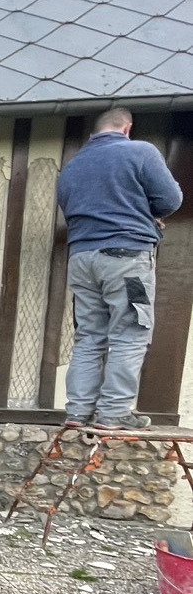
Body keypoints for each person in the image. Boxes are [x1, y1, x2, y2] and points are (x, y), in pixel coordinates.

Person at [55, 106, 183, 431]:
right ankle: (113, 412)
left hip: (82, 259)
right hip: (127, 258)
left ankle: (77, 412)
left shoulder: (71, 168)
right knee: (132, 332)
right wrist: (146, 214)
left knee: (89, 336)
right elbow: (170, 200)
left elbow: (71, 210)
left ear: (94, 133)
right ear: (127, 127)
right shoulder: (140, 151)